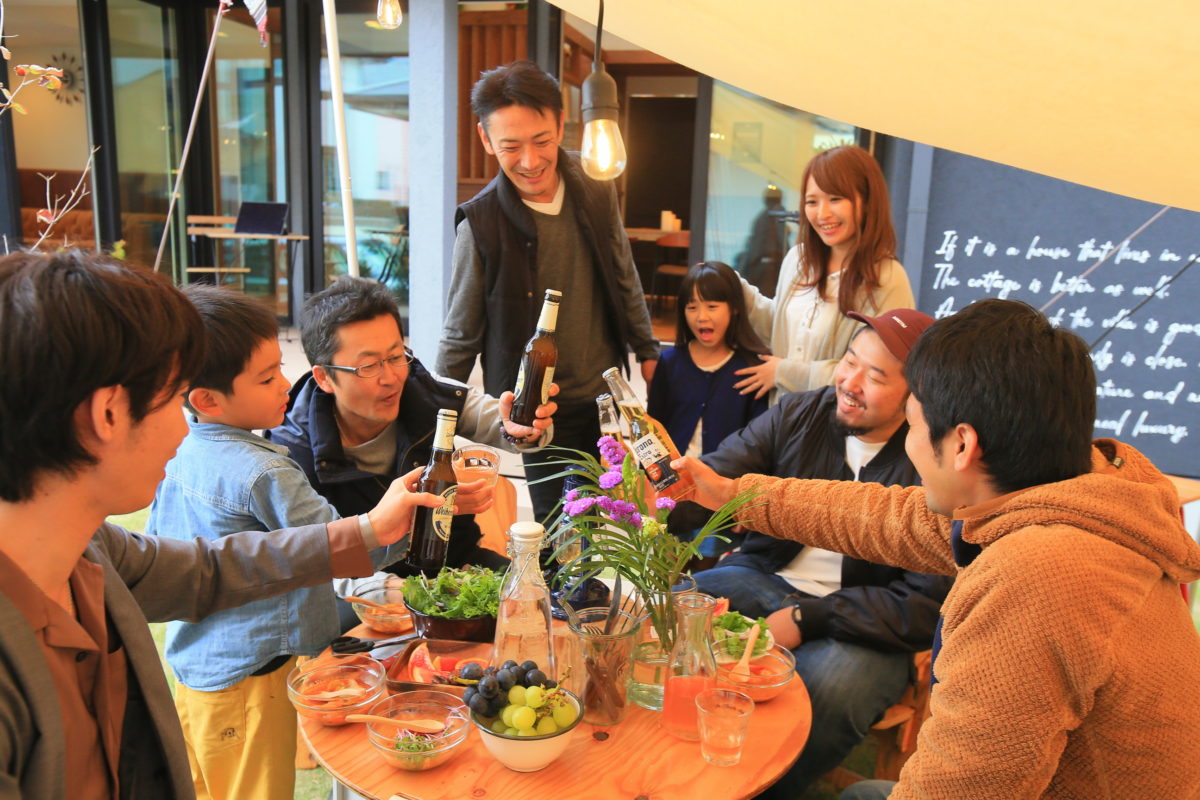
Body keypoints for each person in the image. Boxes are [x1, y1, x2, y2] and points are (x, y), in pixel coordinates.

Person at [679, 299, 1200, 799]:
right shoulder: (1066, 495)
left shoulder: (1038, 577)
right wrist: (725, 494)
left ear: (961, 444)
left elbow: (959, 784)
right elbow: (882, 516)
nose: (908, 438)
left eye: (914, 419)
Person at [0, 250, 442, 799]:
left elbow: (210, 569)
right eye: (172, 398)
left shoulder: (91, 553)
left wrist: (372, 529)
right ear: (108, 414)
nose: (185, 428)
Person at [146, 286, 468, 800]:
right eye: (268, 376)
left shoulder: (182, 444)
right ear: (207, 398)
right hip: (254, 678)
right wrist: (412, 517)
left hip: (197, 667)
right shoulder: (266, 469)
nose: (285, 384)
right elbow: (344, 550)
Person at [691, 308, 951, 795]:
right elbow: (718, 478)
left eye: (874, 376)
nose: (849, 382)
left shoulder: (930, 462)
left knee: (824, 691)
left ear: (918, 398)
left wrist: (808, 619)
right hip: (764, 575)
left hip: (865, 623)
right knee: (684, 615)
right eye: (848, 360)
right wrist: (662, 492)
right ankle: (687, 769)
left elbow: (923, 605)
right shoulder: (800, 412)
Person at [435, 60, 660, 522]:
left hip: (606, 400)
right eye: (511, 146)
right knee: (559, 531)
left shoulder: (596, 189)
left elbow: (624, 273)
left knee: (614, 523)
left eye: (542, 141)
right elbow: (459, 334)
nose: (530, 161)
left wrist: (648, 348)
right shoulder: (480, 224)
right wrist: (436, 419)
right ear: (485, 139)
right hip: (537, 414)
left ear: (562, 124)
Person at [268, 275, 554, 577]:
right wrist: (386, 592)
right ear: (324, 377)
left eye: (395, 356)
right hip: (360, 591)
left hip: (456, 567)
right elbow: (306, 562)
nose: (390, 378)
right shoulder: (290, 450)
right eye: (368, 366)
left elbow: (499, 421)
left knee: (541, 601)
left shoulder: (425, 391)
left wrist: (524, 427)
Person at [733, 145, 914, 402]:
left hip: (836, 430)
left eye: (836, 199)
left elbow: (877, 373)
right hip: (782, 422)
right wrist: (735, 288)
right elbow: (780, 330)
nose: (822, 214)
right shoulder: (798, 259)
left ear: (867, 200)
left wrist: (784, 371)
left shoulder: (888, 278)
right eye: (812, 201)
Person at [647, 261, 770, 562]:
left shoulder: (752, 370)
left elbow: (760, 445)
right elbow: (651, 431)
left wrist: (748, 502)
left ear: (735, 309)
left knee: (706, 583)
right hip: (671, 496)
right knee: (664, 576)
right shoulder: (670, 363)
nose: (701, 316)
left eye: (712, 306)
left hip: (721, 502)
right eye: (692, 307)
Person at [736, 184, 789, 297]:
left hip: (758, 266)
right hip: (770, 268)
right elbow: (781, 238)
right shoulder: (777, 213)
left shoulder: (761, 217)